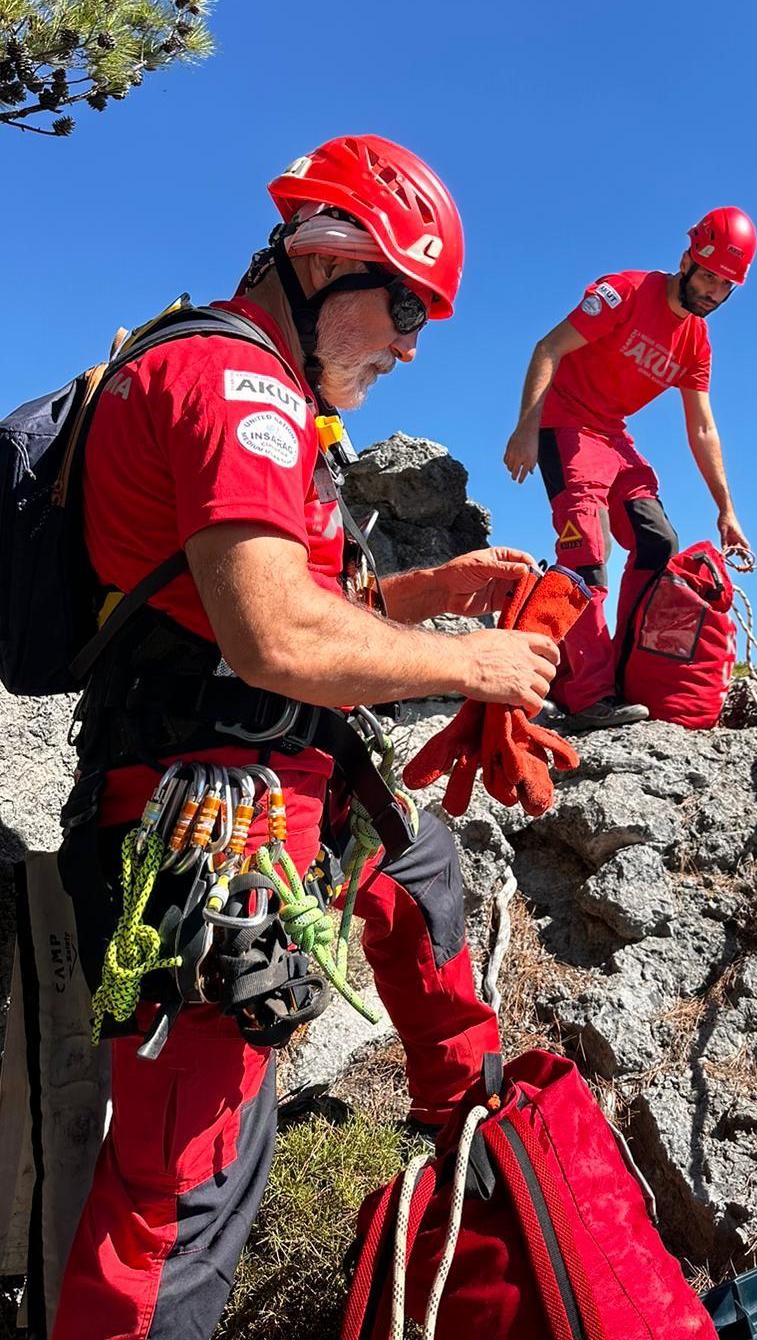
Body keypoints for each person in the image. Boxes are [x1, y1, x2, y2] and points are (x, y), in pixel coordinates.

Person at [52, 135, 560, 1340]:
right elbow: (277, 637)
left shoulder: (258, 395)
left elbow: (254, 611)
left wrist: (418, 598)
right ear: (330, 264)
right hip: (202, 818)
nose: (410, 344)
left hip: (284, 784)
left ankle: (467, 1137)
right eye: (404, 307)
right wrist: (467, 662)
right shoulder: (241, 395)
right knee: (183, 1187)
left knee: (422, 869)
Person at [503, 209, 756, 729]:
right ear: (687, 260)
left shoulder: (697, 343)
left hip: (614, 437)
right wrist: (527, 427)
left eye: (725, 285)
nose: (712, 291)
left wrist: (726, 510)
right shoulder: (624, 293)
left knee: (658, 542)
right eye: (707, 275)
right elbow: (548, 346)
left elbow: (702, 428)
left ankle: (623, 671)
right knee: (586, 555)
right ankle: (585, 693)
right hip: (565, 425)